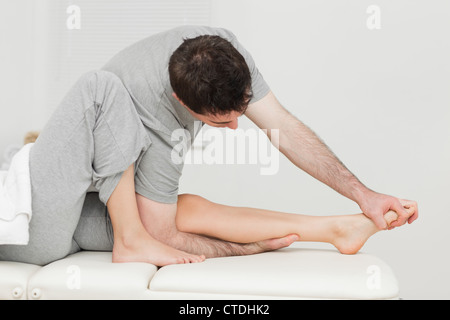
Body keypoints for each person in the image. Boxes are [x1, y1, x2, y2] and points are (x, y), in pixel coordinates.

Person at [0, 26, 418, 267]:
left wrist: (365, 196)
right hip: (35, 226)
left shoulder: (221, 51)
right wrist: (244, 249)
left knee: (190, 206)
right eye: (221, 121)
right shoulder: (156, 108)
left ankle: (335, 228)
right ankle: (129, 239)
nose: (237, 128)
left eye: (240, 112)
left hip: (77, 219)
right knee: (99, 86)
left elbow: (284, 129)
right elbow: (161, 235)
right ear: (183, 103)